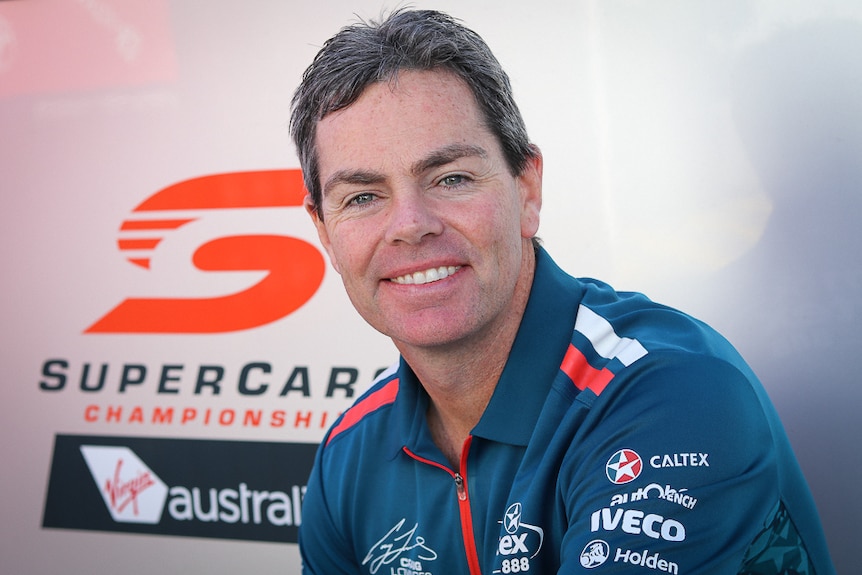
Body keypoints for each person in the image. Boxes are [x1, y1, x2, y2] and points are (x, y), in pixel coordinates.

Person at [289, 9, 835, 575]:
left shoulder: (672, 390)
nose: (410, 223)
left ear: (527, 191)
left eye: (451, 178)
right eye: (361, 197)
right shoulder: (349, 451)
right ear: (325, 231)